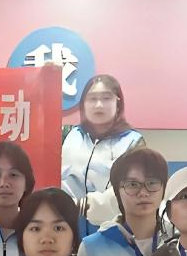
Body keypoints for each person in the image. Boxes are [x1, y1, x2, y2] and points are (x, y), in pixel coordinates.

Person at [76, 147, 174, 256]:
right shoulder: (92, 248)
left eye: (152, 183)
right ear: (117, 191)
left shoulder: (179, 241)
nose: (143, 192)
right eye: (132, 184)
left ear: (164, 188)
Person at [61, 74, 146, 232]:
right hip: (65, 227)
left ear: (118, 104)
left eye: (106, 98)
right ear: (83, 104)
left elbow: (131, 189)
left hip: (112, 232)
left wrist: (82, 206)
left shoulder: (133, 142)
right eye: (92, 99)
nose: (98, 105)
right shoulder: (68, 134)